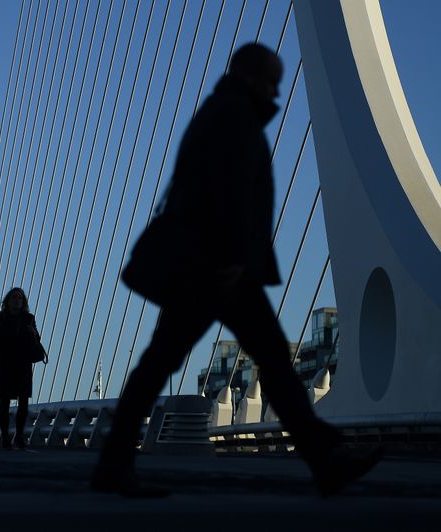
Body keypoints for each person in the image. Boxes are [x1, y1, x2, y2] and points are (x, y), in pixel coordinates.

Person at [91, 43, 381, 497]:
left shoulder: (225, 111)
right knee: (233, 361)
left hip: (216, 264)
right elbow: (222, 193)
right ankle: (325, 459)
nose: (277, 89)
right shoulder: (231, 116)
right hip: (217, 267)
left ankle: (325, 459)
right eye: (271, 78)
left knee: (223, 361)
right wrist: (230, 259)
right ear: (250, 75)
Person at [0, 287, 39, 449]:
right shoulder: (0, 319)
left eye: (20, 298)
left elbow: (37, 338)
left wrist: (33, 332)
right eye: (14, 298)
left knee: (23, 401)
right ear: (7, 301)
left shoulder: (29, 318)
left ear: (23, 302)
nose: (17, 301)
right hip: (5, 365)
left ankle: (20, 435)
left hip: (23, 364)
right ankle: (5, 436)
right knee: (5, 401)